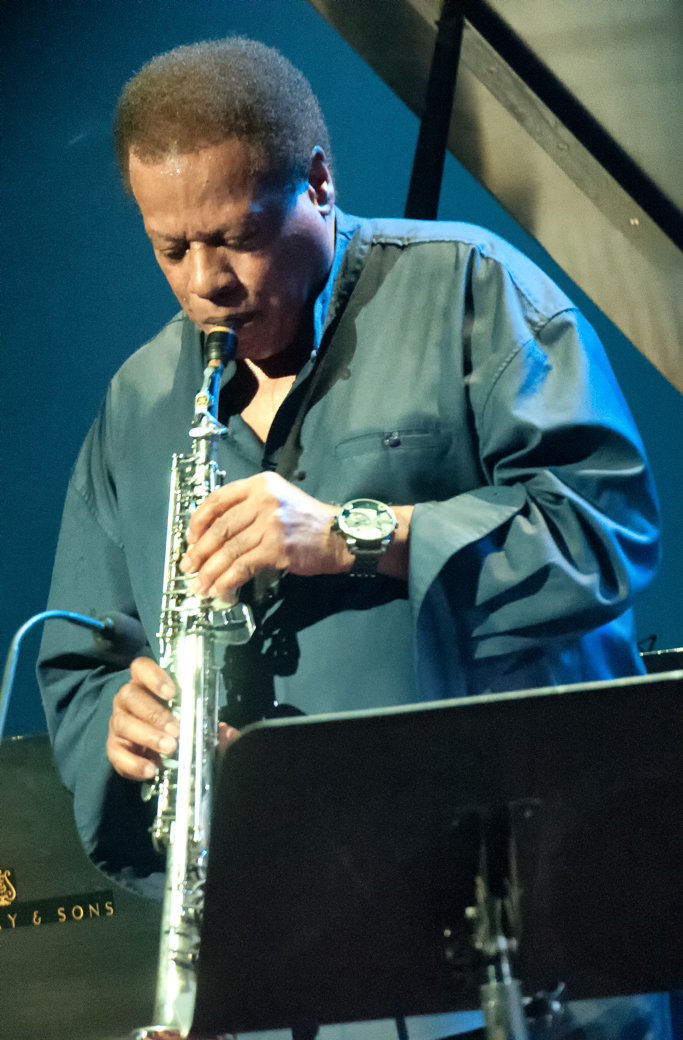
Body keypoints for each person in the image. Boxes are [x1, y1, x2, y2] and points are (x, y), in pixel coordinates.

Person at [38, 38, 668, 1040]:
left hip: (531, 956)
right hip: (300, 966)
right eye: (170, 248)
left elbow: (607, 530)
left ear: (318, 184)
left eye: (236, 234)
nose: (207, 281)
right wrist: (120, 720)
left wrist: (357, 534)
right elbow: (82, 652)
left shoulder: (472, 291)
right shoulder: (138, 401)